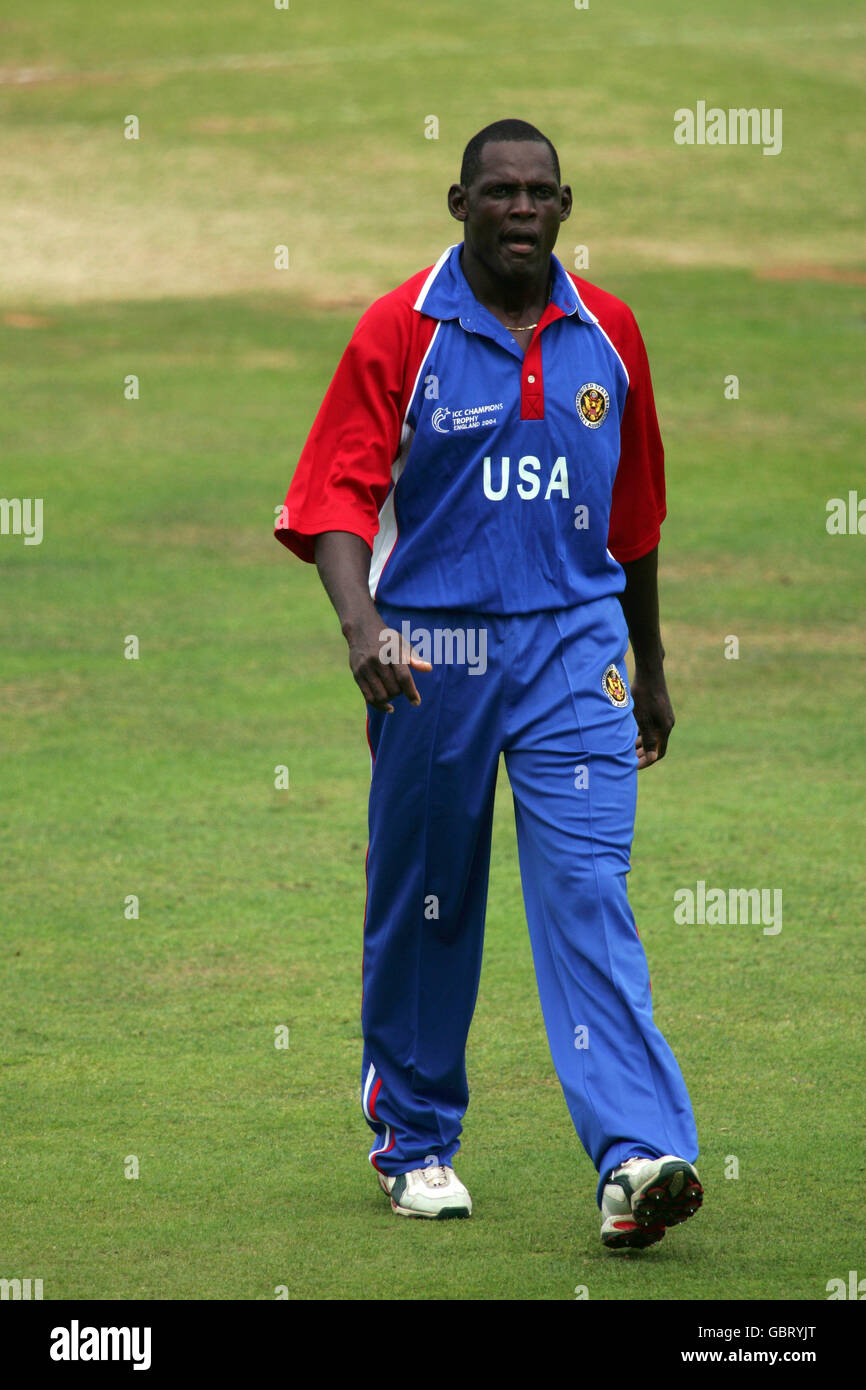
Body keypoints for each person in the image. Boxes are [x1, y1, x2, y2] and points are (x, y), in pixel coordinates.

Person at [275, 119, 702, 1249]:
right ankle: (413, 1144)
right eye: (497, 193)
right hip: (433, 656)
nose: (520, 209)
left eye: (538, 193)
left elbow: (635, 515)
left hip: (576, 646)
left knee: (585, 892)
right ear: (455, 203)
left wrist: (647, 665)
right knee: (429, 898)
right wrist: (363, 628)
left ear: (565, 205)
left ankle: (634, 1156)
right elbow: (332, 497)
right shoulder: (399, 330)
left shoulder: (607, 331)